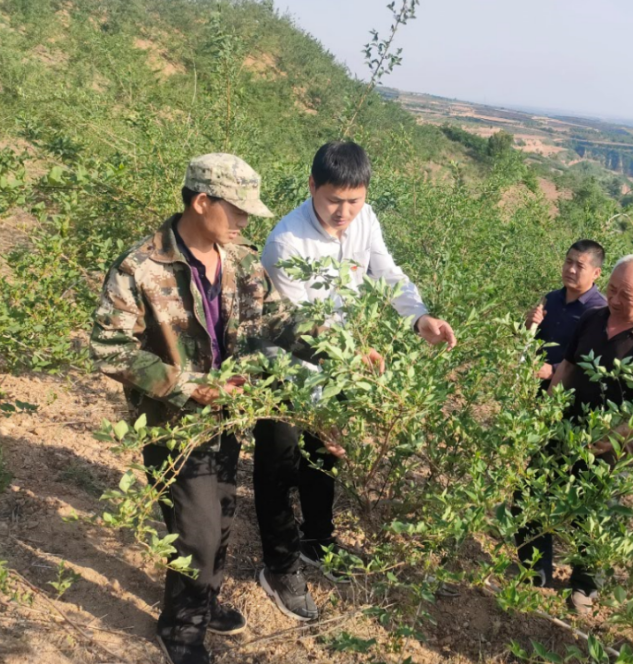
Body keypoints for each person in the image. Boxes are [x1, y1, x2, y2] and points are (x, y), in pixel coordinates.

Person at [90, 154, 301, 664]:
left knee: (222, 517)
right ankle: (180, 629)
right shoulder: (139, 265)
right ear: (202, 201)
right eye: (237, 210)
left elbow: (284, 322)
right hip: (173, 425)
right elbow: (108, 348)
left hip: (229, 418)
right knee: (198, 532)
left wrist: (342, 347)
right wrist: (188, 386)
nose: (245, 222)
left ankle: (201, 601)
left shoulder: (242, 260)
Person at [254, 140, 457, 618]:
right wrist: (347, 358)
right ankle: (279, 567)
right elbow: (296, 327)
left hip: (343, 362)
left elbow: (386, 272)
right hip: (288, 365)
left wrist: (419, 317)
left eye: (354, 200)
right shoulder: (286, 242)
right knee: (278, 467)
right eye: (333, 201)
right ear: (311, 188)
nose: (344, 212)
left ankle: (317, 540)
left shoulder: (364, 220)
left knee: (325, 454)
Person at [516, 255, 633, 614]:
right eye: (612, 290)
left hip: (613, 451)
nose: (614, 300)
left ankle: (584, 588)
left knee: (596, 519)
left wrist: (612, 436)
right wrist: (548, 410)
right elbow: (568, 366)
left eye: (626, 295)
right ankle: (535, 572)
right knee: (531, 494)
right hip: (565, 428)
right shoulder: (592, 317)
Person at [524, 240, 607, 385]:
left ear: (596, 273)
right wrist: (529, 324)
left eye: (580, 266)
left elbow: (596, 359)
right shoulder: (551, 299)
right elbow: (529, 340)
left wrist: (553, 370)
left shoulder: (600, 310)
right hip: (532, 385)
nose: (571, 269)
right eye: (569, 262)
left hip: (567, 393)